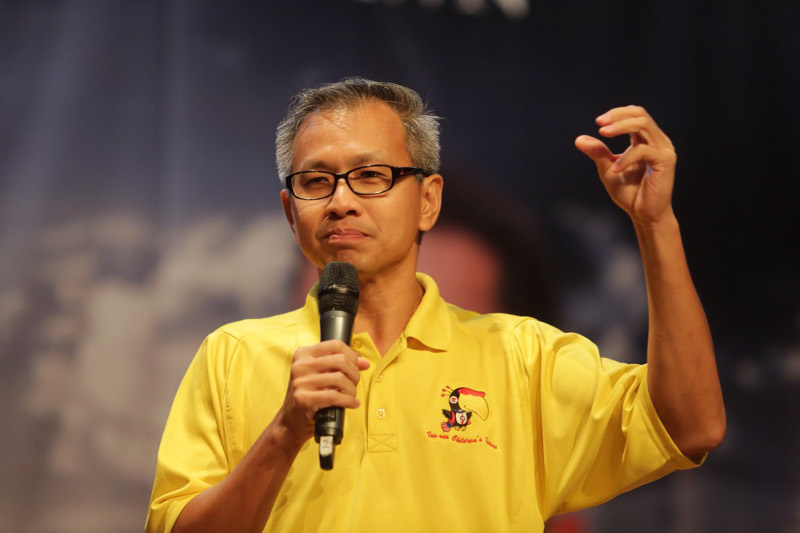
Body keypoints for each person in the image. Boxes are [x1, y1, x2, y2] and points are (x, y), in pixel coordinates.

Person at [146, 78, 725, 532]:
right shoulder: (231, 355)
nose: (341, 201)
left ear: (428, 201)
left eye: (371, 176)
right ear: (289, 212)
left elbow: (691, 427)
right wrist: (282, 435)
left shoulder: (522, 356)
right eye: (316, 182)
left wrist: (656, 225)